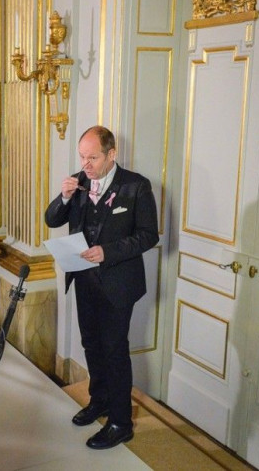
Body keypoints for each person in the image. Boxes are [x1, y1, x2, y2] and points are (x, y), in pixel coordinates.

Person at [44, 125, 159, 450]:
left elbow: (149, 235)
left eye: (93, 157)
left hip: (118, 283)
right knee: (91, 344)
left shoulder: (136, 186)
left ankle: (121, 422)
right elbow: (51, 220)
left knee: (114, 349)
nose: (86, 164)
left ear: (112, 154)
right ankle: (100, 401)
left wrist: (108, 252)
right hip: (83, 279)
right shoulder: (77, 181)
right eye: (82, 157)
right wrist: (64, 196)